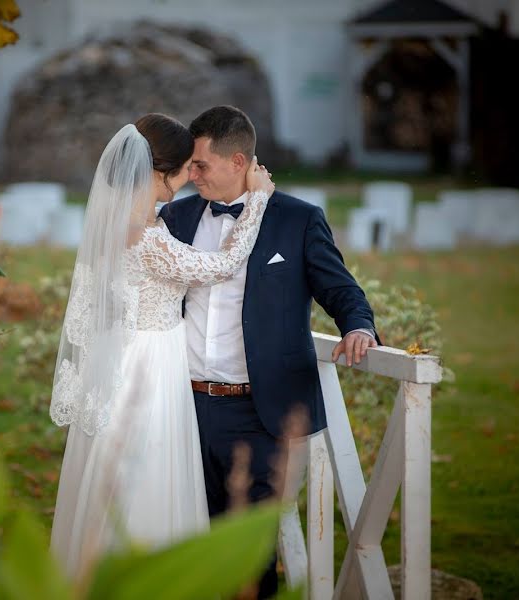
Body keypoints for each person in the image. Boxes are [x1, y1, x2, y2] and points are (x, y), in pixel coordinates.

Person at [159, 105, 379, 598]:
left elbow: (341, 290)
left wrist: (359, 326)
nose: (190, 175)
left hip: (260, 412)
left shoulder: (298, 220)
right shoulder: (174, 217)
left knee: (250, 553)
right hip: (182, 406)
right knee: (191, 543)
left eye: (200, 165)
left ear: (238, 162)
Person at [49, 113, 276, 580]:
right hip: (148, 370)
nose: (190, 178)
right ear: (158, 173)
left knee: (137, 476)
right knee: (146, 476)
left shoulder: (129, 224)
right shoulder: (146, 236)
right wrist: (258, 200)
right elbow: (224, 264)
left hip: (134, 357)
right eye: (183, 169)